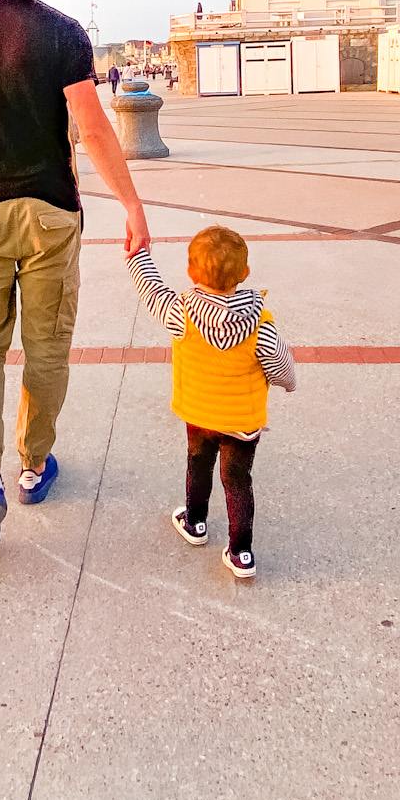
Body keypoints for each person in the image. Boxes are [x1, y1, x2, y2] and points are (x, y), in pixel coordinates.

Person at [0, 0, 152, 552]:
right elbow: (91, 129)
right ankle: (35, 465)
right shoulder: (63, 34)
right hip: (50, 213)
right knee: (46, 345)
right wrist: (132, 207)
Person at [127, 224, 296, 579]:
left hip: (198, 414)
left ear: (191, 273)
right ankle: (241, 553)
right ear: (245, 273)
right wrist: (289, 383)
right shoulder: (260, 324)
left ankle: (195, 521)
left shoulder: (180, 314)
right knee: (238, 482)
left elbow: (152, 289)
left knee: (198, 467)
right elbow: (279, 365)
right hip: (242, 423)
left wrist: (138, 254)